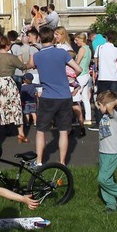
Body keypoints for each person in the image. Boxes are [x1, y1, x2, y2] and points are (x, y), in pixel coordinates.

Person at [32, 26, 82, 166]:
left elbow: (29, 65)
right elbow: (78, 69)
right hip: (64, 96)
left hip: (48, 96)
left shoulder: (37, 55)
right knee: (63, 131)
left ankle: (39, 161)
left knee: (41, 130)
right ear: (53, 37)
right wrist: (70, 79)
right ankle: (62, 162)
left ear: (40, 38)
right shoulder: (62, 53)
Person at [95, 90, 117, 213]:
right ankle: (111, 204)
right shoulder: (105, 116)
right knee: (106, 180)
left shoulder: (115, 116)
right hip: (103, 152)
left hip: (112, 153)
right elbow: (106, 106)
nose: (98, 107)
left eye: (100, 105)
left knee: (102, 179)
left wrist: (114, 102)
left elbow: (109, 106)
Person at [0, 37, 26, 143]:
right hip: (8, 83)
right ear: (7, 45)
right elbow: (22, 66)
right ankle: (21, 133)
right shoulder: (11, 57)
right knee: (15, 106)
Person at [93, 29, 117, 119]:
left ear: (106, 37)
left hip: (102, 76)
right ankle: (114, 118)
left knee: (101, 99)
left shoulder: (99, 47)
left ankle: (100, 119)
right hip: (114, 77)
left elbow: (96, 59)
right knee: (114, 98)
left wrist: (98, 67)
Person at [73, 33, 94, 127]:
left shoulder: (82, 49)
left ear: (81, 40)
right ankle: (88, 118)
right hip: (86, 74)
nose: (75, 42)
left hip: (80, 75)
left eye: (77, 40)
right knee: (85, 98)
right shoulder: (88, 49)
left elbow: (77, 62)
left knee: (76, 97)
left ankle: (79, 118)